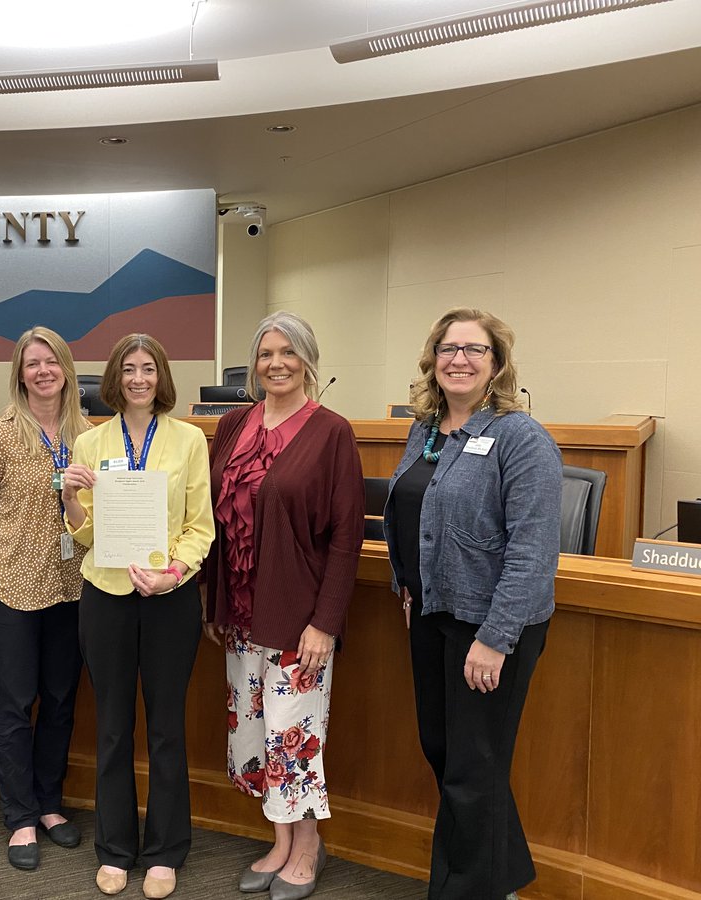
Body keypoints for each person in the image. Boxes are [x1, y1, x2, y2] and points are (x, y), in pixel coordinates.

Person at [383, 308, 561, 900]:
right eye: (448, 348)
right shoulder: (426, 430)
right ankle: (502, 876)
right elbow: (412, 516)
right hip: (433, 614)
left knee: (471, 768)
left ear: (496, 364)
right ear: (432, 359)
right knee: (444, 750)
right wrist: (407, 582)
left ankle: (464, 890)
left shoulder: (521, 438)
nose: (459, 359)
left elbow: (534, 551)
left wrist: (495, 637)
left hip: (491, 625)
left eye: (474, 350)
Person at [204, 312, 364, 900]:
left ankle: (309, 848)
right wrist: (214, 602)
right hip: (241, 615)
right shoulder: (232, 425)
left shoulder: (332, 432)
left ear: (307, 360)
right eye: (266, 353)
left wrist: (326, 622)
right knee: (252, 732)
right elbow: (218, 521)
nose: (276, 363)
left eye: (288, 353)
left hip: (300, 621)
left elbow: (348, 537)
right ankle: (279, 840)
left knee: (293, 735)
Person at [62, 333, 215, 900]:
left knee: (167, 727)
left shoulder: (190, 440)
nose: (138, 379)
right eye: (128, 369)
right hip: (106, 595)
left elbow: (202, 526)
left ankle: (165, 851)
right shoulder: (91, 441)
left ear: (162, 376)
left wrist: (173, 572)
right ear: (115, 378)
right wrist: (71, 498)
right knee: (112, 726)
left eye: (149, 368)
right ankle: (115, 849)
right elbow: (82, 533)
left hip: (168, 596)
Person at [0, 326, 93, 871]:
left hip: (73, 587)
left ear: (66, 367)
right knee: (16, 706)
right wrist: (4, 564)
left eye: (51, 361)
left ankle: (48, 803)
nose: (42, 371)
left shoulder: (90, 435)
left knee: (61, 701)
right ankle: (18, 815)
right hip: (12, 589)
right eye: (31, 363)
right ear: (19, 374)